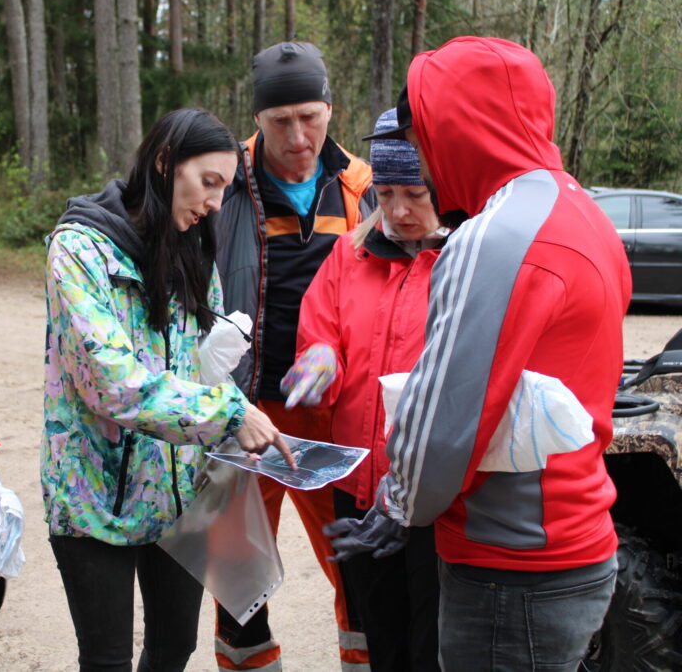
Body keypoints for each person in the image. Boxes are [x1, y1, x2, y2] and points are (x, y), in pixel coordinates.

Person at [327, 36, 632, 671]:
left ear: (454, 127)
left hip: (508, 563)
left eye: (422, 136)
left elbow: (448, 420)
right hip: (574, 540)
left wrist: (395, 502)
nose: (422, 158)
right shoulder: (579, 210)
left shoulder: (496, 236)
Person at [41, 107, 294, 672]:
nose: (213, 203)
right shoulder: (78, 251)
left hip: (178, 494)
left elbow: (197, 367)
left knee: (175, 648)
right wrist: (229, 413)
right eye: (208, 183)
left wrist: (240, 404)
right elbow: (115, 386)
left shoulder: (192, 251)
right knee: (107, 659)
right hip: (93, 496)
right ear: (163, 162)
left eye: (224, 190)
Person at [213, 41, 375, 671]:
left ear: (330, 109)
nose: (298, 135)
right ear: (257, 119)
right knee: (238, 577)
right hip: (242, 410)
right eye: (280, 121)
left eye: (310, 115)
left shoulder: (359, 185)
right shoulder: (225, 182)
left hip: (331, 413)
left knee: (356, 563)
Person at [282, 108, 447, 671]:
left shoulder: (462, 260)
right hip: (359, 489)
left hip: (433, 499)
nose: (398, 211)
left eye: (415, 194)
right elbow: (320, 330)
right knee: (380, 640)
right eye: (385, 192)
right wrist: (319, 362)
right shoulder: (349, 254)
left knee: (434, 644)